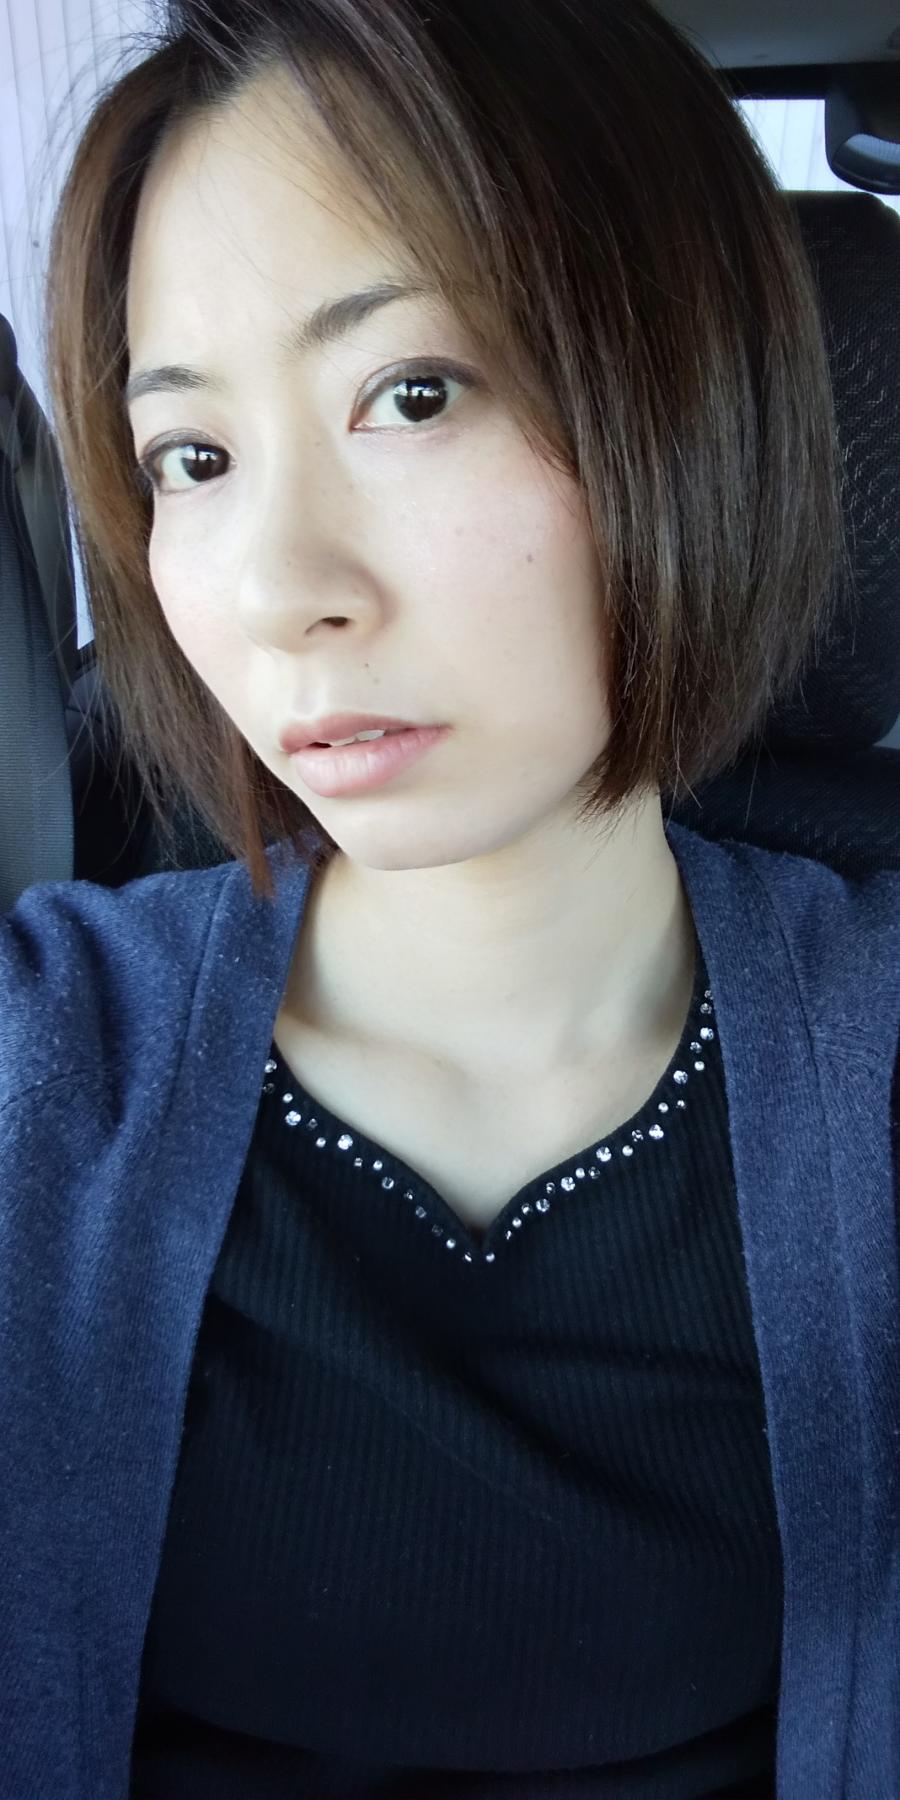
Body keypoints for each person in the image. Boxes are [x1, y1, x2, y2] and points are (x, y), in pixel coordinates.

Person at [1, 1, 897, 1796]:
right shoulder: (45, 1066)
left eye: (412, 394)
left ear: (694, 395)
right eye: (195, 458)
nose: (280, 587)